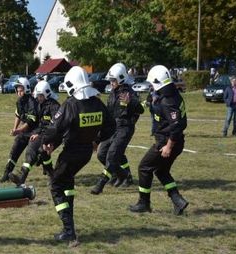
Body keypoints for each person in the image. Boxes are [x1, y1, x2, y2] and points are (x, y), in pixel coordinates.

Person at [41, 66, 114, 243]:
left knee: (56, 185)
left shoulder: (71, 105)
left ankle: (68, 230)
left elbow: (55, 129)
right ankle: (69, 226)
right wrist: (96, 140)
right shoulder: (97, 103)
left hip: (72, 152)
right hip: (86, 152)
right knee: (67, 181)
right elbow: (111, 126)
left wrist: (45, 142)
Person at [129, 65, 188, 215]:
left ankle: (144, 203)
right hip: (176, 141)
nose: (151, 86)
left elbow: (176, 126)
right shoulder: (170, 94)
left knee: (144, 167)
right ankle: (178, 201)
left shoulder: (168, 101)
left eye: (152, 83)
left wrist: (168, 146)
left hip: (167, 142)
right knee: (161, 171)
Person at [91, 63, 143, 195]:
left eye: (113, 80)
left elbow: (140, 109)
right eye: (110, 80)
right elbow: (109, 112)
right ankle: (122, 175)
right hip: (112, 127)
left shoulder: (129, 92)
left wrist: (130, 102)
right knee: (102, 154)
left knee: (113, 155)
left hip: (125, 128)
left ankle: (101, 183)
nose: (111, 82)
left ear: (120, 78)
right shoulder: (113, 93)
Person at [8, 80, 60, 186]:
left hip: (54, 135)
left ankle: (22, 176)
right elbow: (41, 124)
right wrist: (36, 133)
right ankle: (51, 175)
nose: (38, 98)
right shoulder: (41, 105)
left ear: (46, 93)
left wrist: (46, 138)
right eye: (38, 95)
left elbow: (55, 126)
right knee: (40, 151)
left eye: (40, 95)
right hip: (43, 133)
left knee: (36, 148)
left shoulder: (54, 106)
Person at [0, 77, 38, 182]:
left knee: (30, 155)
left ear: (27, 89)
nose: (19, 92)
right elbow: (18, 115)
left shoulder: (32, 102)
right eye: (17, 90)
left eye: (21, 90)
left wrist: (19, 130)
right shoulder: (19, 101)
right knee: (14, 151)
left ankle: (22, 176)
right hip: (24, 131)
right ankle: (6, 174)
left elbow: (31, 121)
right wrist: (15, 129)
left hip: (35, 132)